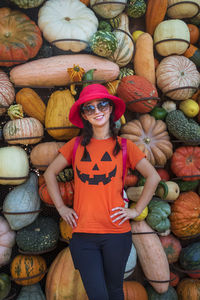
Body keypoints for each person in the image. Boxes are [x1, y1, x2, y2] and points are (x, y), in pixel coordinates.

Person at [44, 83, 161, 300]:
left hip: (117, 234)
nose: (97, 111)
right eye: (90, 108)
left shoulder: (125, 146)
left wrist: (136, 211)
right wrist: (61, 207)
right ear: (84, 116)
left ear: (111, 109)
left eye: (102, 105)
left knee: (115, 291)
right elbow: (50, 173)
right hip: (83, 236)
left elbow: (153, 177)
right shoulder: (76, 146)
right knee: (97, 295)